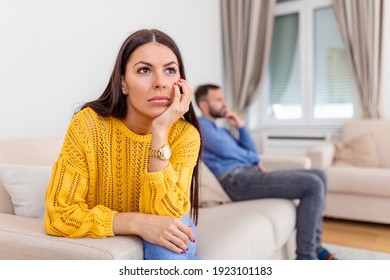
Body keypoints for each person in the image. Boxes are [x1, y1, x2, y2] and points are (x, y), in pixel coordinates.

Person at [44, 29, 201, 260]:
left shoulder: (185, 135)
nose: (160, 83)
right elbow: (60, 216)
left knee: (166, 245)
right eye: (144, 70)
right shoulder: (88, 125)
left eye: (169, 70)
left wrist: (160, 131)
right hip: (135, 230)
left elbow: (168, 216)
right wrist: (137, 222)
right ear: (123, 83)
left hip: (171, 226)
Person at [194, 84, 336, 260]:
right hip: (234, 180)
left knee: (319, 175)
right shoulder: (200, 126)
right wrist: (254, 159)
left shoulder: (222, 130)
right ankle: (306, 257)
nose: (224, 104)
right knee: (312, 184)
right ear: (204, 105)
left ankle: (315, 247)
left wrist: (241, 127)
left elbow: (250, 149)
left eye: (223, 99)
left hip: (248, 174)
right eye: (218, 100)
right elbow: (227, 151)